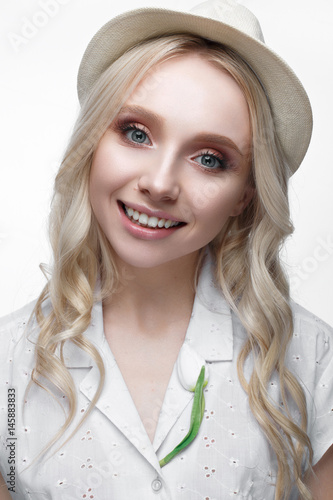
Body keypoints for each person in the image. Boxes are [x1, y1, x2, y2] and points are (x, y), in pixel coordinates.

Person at [0, 1, 332, 499]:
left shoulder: (315, 361)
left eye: (209, 159)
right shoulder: (6, 360)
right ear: (93, 143)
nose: (158, 184)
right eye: (137, 133)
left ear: (247, 193)